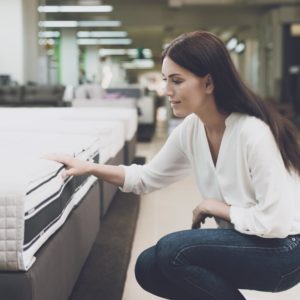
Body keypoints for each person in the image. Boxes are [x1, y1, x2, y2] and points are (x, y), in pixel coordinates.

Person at [45, 31, 300, 299]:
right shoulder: (192, 128)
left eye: (177, 81)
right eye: (166, 80)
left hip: (284, 250)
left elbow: (276, 223)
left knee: (172, 250)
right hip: (249, 241)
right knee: (148, 267)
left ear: (209, 83)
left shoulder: (253, 132)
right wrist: (88, 167)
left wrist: (217, 208)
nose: (167, 91)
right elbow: (146, 178)